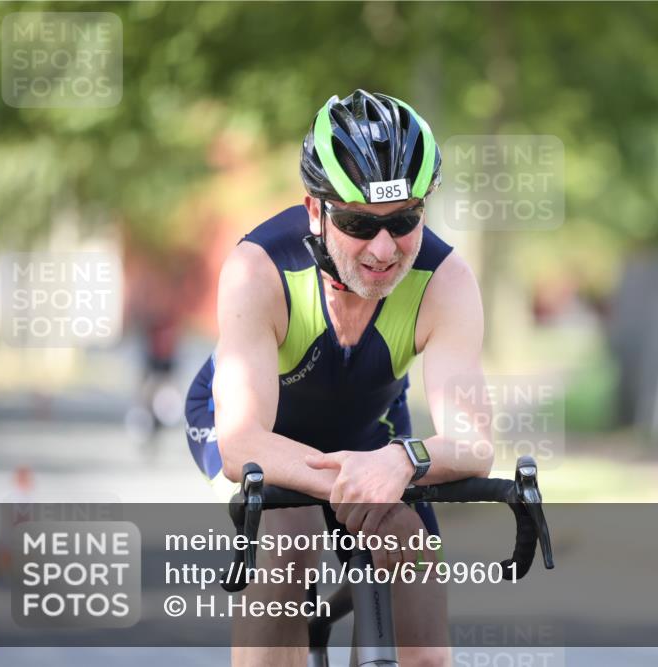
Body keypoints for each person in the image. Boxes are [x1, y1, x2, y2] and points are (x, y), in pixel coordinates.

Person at [184, 89, 493, 667]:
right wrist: (357, 480)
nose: (383, 247)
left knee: (425, 635)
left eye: (404, 220)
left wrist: (399, 464)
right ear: (314, 210)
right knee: (289, 548)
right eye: (356, 222)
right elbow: (242, 444)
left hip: (370, 430)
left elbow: (474, 442)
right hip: (264, 428)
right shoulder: (258, 269)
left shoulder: (447, 282)